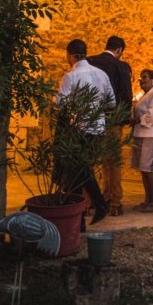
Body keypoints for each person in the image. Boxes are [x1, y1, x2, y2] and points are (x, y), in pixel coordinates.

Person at [58, 38, 115, 226]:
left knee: (78, 172)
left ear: (69, 55)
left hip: (79, 128)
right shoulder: (101, 74)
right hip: (98, 128)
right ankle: (80, 220)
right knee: (80, 172)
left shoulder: (70, 77)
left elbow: (60, 105)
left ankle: (97, 205)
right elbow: (112, 103)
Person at [87, 36, 133, 216]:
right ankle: (114, 202)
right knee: (112, 162)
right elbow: (126, 97)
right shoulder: (120, 66)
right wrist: (123, 120)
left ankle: (89, 201)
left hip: (90, 120)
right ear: (119, 50)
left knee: (89, 161)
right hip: (111, 120)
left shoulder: (90, 62)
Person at [130, 68, 153, 212]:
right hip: (142, 134)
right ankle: (148, 200)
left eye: (144, 77)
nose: (141, 80)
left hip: (152, 134)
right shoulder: (146, 95)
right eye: (140, 78)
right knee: (143, 169)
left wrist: (136, 119)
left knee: (149, 169)